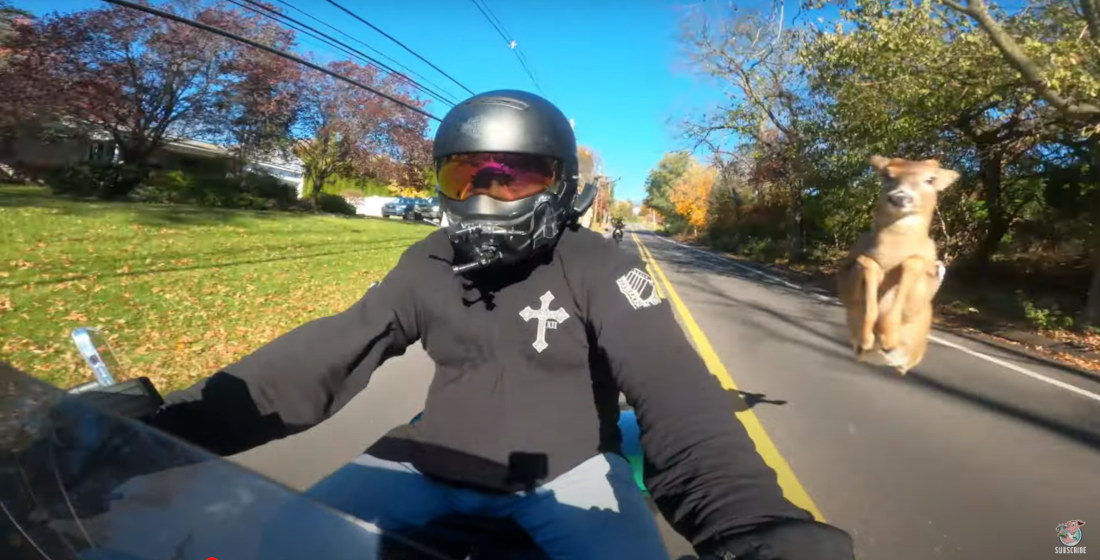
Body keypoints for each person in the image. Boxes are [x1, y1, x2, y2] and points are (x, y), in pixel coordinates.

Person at [147, 90, 854, 559]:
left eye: (513, 178)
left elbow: (681, 403)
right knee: (274, 545)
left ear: (562, 184)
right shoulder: (426, 258)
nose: (488, 196)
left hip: (571, 474)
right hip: (420, 464)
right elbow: (329, 353)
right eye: (468, 177)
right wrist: (171, 424)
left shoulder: (601, 266)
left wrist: (756, 527)